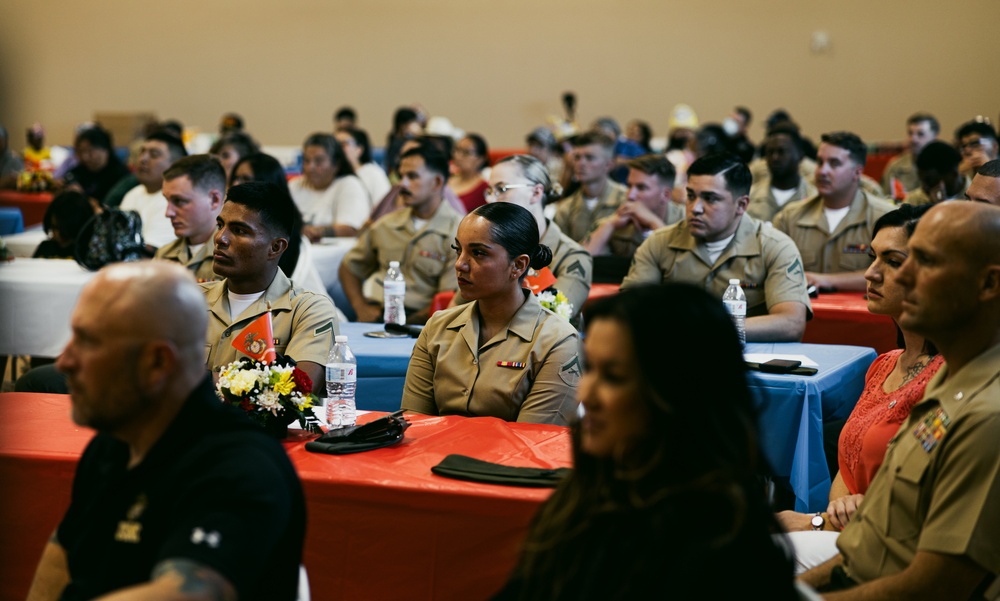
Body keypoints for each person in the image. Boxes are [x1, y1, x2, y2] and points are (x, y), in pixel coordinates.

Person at [493, 284, 798, 600]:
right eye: (590, 369)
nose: (586, 396)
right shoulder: (590, 488)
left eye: (614, 377)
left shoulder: (722, 541)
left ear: (677, 393)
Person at [24, 262, 306, 600]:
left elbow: (187, 593)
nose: (65, 361)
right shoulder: (111, 447)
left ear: (158, 362)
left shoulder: (241, 467)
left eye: (87, 342)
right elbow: (61, 561)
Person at [801, 201, 1000, 597]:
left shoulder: (987, 414)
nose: (899, 277)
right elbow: (868, 547)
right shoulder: (949, 380)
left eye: (922, 262)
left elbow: (934, 585)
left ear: (988, 285)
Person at [775, 204, 944, 573]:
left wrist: (817, 522)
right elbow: (848, 465)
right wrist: (830, 515)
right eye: (873, 257)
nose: (870, 273)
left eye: (892, 261)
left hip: (898, 546)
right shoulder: (885, 363)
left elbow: (925, 503)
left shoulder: (948, 378)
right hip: (849, 530)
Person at [401, 202, 581, 425]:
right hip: (434, 457)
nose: (460, 264)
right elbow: (414, 424)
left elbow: (532, 443)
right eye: (458, 250)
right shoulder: (437, 327)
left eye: (478, 253)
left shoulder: (558, 342)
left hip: (510, 459)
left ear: (518, 265)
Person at [621, 153, 810, 342]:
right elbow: (628, 309)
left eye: (710, 199)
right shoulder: (659, 242)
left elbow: (791, 323)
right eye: (691, 196)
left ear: (741, 205)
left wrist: (708, 330)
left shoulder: (775, 247)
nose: (696, 208)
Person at [205, 181, 337, 387]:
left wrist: (196, 383)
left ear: (275, 247)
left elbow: (296, 391)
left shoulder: (307, 311)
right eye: (220, 225)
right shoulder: (190, 301)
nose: (220, 238)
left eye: (239, 231)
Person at [450, 154, 592, 320]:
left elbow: (556, 317)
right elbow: (453, 311)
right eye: (489, 191)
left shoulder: (571, 256)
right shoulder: (486, 247)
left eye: (502, 189)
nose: (490, 199)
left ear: (536, 193)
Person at [340, 143, 462, 324]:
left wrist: (405, 325)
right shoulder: (386, 225)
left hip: (426, 323)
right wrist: (361, 307)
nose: (402, 184)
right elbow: (349, 267)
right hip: (377, 317)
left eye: (412, 177)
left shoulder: (458, 232)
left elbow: (449, 298)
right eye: (401, 176)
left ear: (436, 182)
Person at [773, 131, 895, 292]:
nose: (822, 171)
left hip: (861, 314)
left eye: (834, 163)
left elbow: (892, 274)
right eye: (819, 162)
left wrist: (825, 280)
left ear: (857, 172)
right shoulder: (789, 217)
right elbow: (772, 271)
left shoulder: (886, 218)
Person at [228, 152, 332, 305]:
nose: (236, 184)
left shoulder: (284, 230)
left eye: (245, 179)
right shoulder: (230, 217)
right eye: (235, 178)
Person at [582, 154, 685, 258]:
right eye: (629, 186)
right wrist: (609, 225)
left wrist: (653, 222)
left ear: (665, 195)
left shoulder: (686, 220)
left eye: (641, 188)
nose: (630, 195)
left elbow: (682, 266)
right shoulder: (618, 221)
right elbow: (580, 262)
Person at [154, 154, 226, 282]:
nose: (168, 212)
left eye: (179, 201)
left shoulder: (231, 258)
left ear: (214, 200)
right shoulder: (164, 255)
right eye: (168, 201)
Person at [289, 132, 370, 240]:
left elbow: (350, 229)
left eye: (318, 161)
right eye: (306, 160)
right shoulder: (294, 185)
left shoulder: (349, 184)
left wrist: (315, 231)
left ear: (336, 164)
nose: (310, 167)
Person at [552, 132, 627, 243]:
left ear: (609, 165)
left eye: (589, 158)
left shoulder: (626, 201)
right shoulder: (566, 208)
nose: (580, 163)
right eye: (577, 157)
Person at [119, 130, 189, 248]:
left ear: (175, 164)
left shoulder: (174, 202)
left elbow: (148, 252)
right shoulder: (133, 193)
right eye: (142, 152)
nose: (142, 159)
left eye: (154, 154)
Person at [747, 123, 817, 222]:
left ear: (800, 155)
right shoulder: (749, 197)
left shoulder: (814, 199)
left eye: (782, 152)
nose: (775, 158)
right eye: (770, 152)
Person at [61, 125, 131, 205]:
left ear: (105, 149)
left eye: (90, 151)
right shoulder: (79, 171)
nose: (85, 157)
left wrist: (81, 197)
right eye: (81, 152)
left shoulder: (121, 176)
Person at [881, 113, 939, 199]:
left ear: (934, 136)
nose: (913, 139)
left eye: (920, 134)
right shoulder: (896, 166)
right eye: (910, 133)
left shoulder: (943, 166)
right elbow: (885, 198)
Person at [335, 126, 391, 207]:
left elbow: (384, 209)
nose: (337, 150)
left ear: (359, 149)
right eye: (335, 145)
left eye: (343, 144)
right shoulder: (332, 176)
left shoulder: (373, 174)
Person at [901, 141, 968, 206]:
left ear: (953, 174)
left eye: (930, 181)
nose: (925, 187)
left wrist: (939, 207)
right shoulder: (915, 200)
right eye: (922, 181)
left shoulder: (973, 197)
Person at [32, 190, 95, 258]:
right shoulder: (46, 249)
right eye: (53, 227)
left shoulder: (91, 253)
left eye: (62, 229)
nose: (56, 234)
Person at [450, 133, 491, 213]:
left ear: (480, 159)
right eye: (457, 150)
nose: (458, 156)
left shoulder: (484, 189)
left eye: (466, 152)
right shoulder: (446, 180)